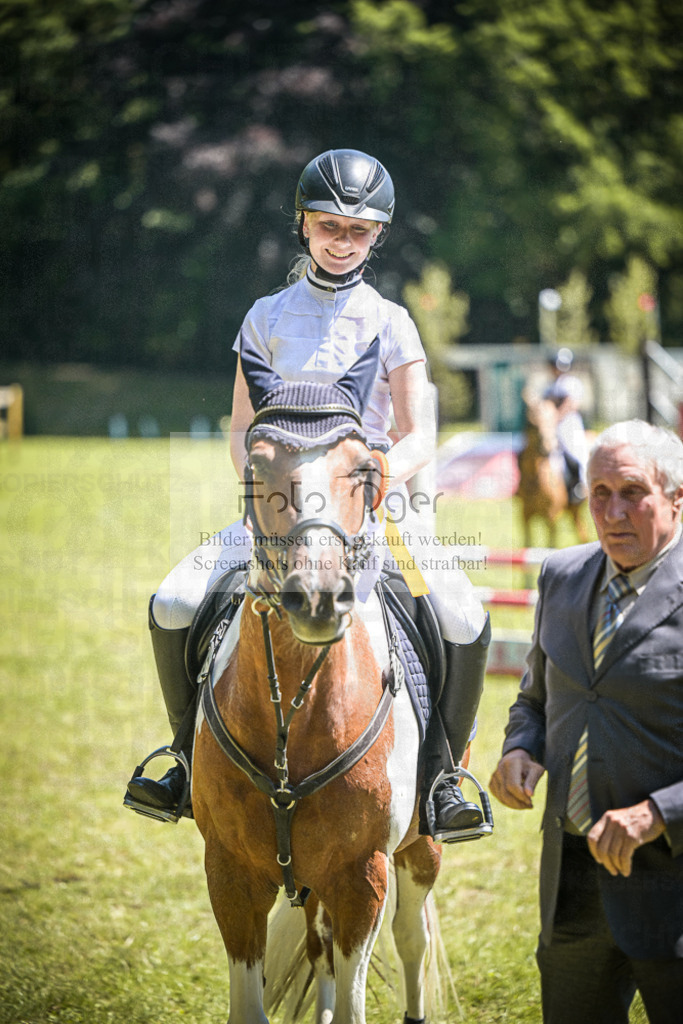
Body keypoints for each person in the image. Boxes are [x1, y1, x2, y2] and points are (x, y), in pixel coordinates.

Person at [124, 148, 491, 842]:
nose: (342, 241)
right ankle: (181, 758)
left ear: (377, 235)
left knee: (463, 614)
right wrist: (264, 496)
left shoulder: (391, 321)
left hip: (371, 516)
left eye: (359, 231)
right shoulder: (264, 316)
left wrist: (378, 475)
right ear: (303, 224)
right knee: (172, 602)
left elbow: (419, 433)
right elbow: (241, 427)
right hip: (277, 518)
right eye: (329, 226)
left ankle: (443, 779)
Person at [490, 418, 683, 1024]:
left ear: (676, 498)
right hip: (572, 883)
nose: (613, 513)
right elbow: (535, 699)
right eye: (600, 494)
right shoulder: (561, 576)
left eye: (633, 493)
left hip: (673, 885)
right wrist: (521, 748)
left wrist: (659, 812)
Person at [543, 349, 588, 503]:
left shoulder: (571, 383)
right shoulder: (549, 386)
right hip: (551, 427)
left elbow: (571, 404)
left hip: (569, 425)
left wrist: (555, 417)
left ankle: (578, 486)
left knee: (574, 453)